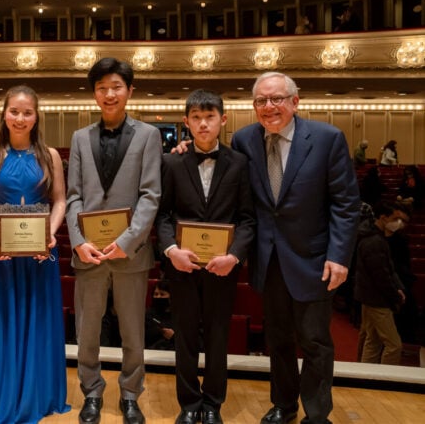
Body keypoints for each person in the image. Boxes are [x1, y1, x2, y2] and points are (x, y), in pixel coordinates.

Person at [229, 72, 361, 424]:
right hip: (267, 260)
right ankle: (283, 406)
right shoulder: (243, 140)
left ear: (295, 102)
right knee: (278, 340)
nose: (269, 107)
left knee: (316, 342)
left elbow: (345, 205)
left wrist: (338, 256)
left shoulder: (327, 138)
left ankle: (317, 415)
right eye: (261, 101)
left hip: (314, 259)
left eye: (277, 99)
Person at [65, 57, 162, 424]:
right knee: (87, 329)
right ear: (94, 94)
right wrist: (78, 242)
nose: (109, 94)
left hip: (130, 253)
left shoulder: (149, 136)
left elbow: (151, 194)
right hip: (88, 252)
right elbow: (74, 195)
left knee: (132, 331)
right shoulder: (79, 138)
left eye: (116, 87)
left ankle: (130, 394)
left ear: (129, 91)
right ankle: (91, 392)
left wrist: (128, 240)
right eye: (102, 88)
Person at [156, 89, 255, 424]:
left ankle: (213, 404)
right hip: (182, 266)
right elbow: (164, 215)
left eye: (209, 117)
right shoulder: (170, 161)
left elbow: (247, 219)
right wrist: (171, 250)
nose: (202, 124)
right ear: (186, 122)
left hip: (222, 268)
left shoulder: (241, 164)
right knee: (184, 336)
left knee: (217, 335)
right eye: (196, 118)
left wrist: (235, 256)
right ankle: (188, 404)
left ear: (222, 120)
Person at [0, 85, 70, 423]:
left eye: (27, 112)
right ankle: (6, 393)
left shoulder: (50, 156)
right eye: (14, 111)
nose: (20, 117)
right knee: (4, 322)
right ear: (4, 113)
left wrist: (50, 234)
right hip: (2, 254)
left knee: (39, 320)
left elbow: (60, 201)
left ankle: (37, 395)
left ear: (36, 116)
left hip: (41, 253)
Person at [354, 201, 409, 365]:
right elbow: (381, 276)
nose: (398, 224)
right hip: (377, 299)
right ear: (383, 218)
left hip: (371, 296)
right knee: (394, 345)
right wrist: (395, 295)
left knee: (373, 341)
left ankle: (366, 377)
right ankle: (386, 380)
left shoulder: (374, 238)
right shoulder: (374, 241)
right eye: (395, 218)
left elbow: (387, 271)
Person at [144, 280, 174, 351]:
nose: (158, 297)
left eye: (162, 294)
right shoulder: (148, 314)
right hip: (152, 351)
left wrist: (174, 336)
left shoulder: (179, 315)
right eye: (156, 294)